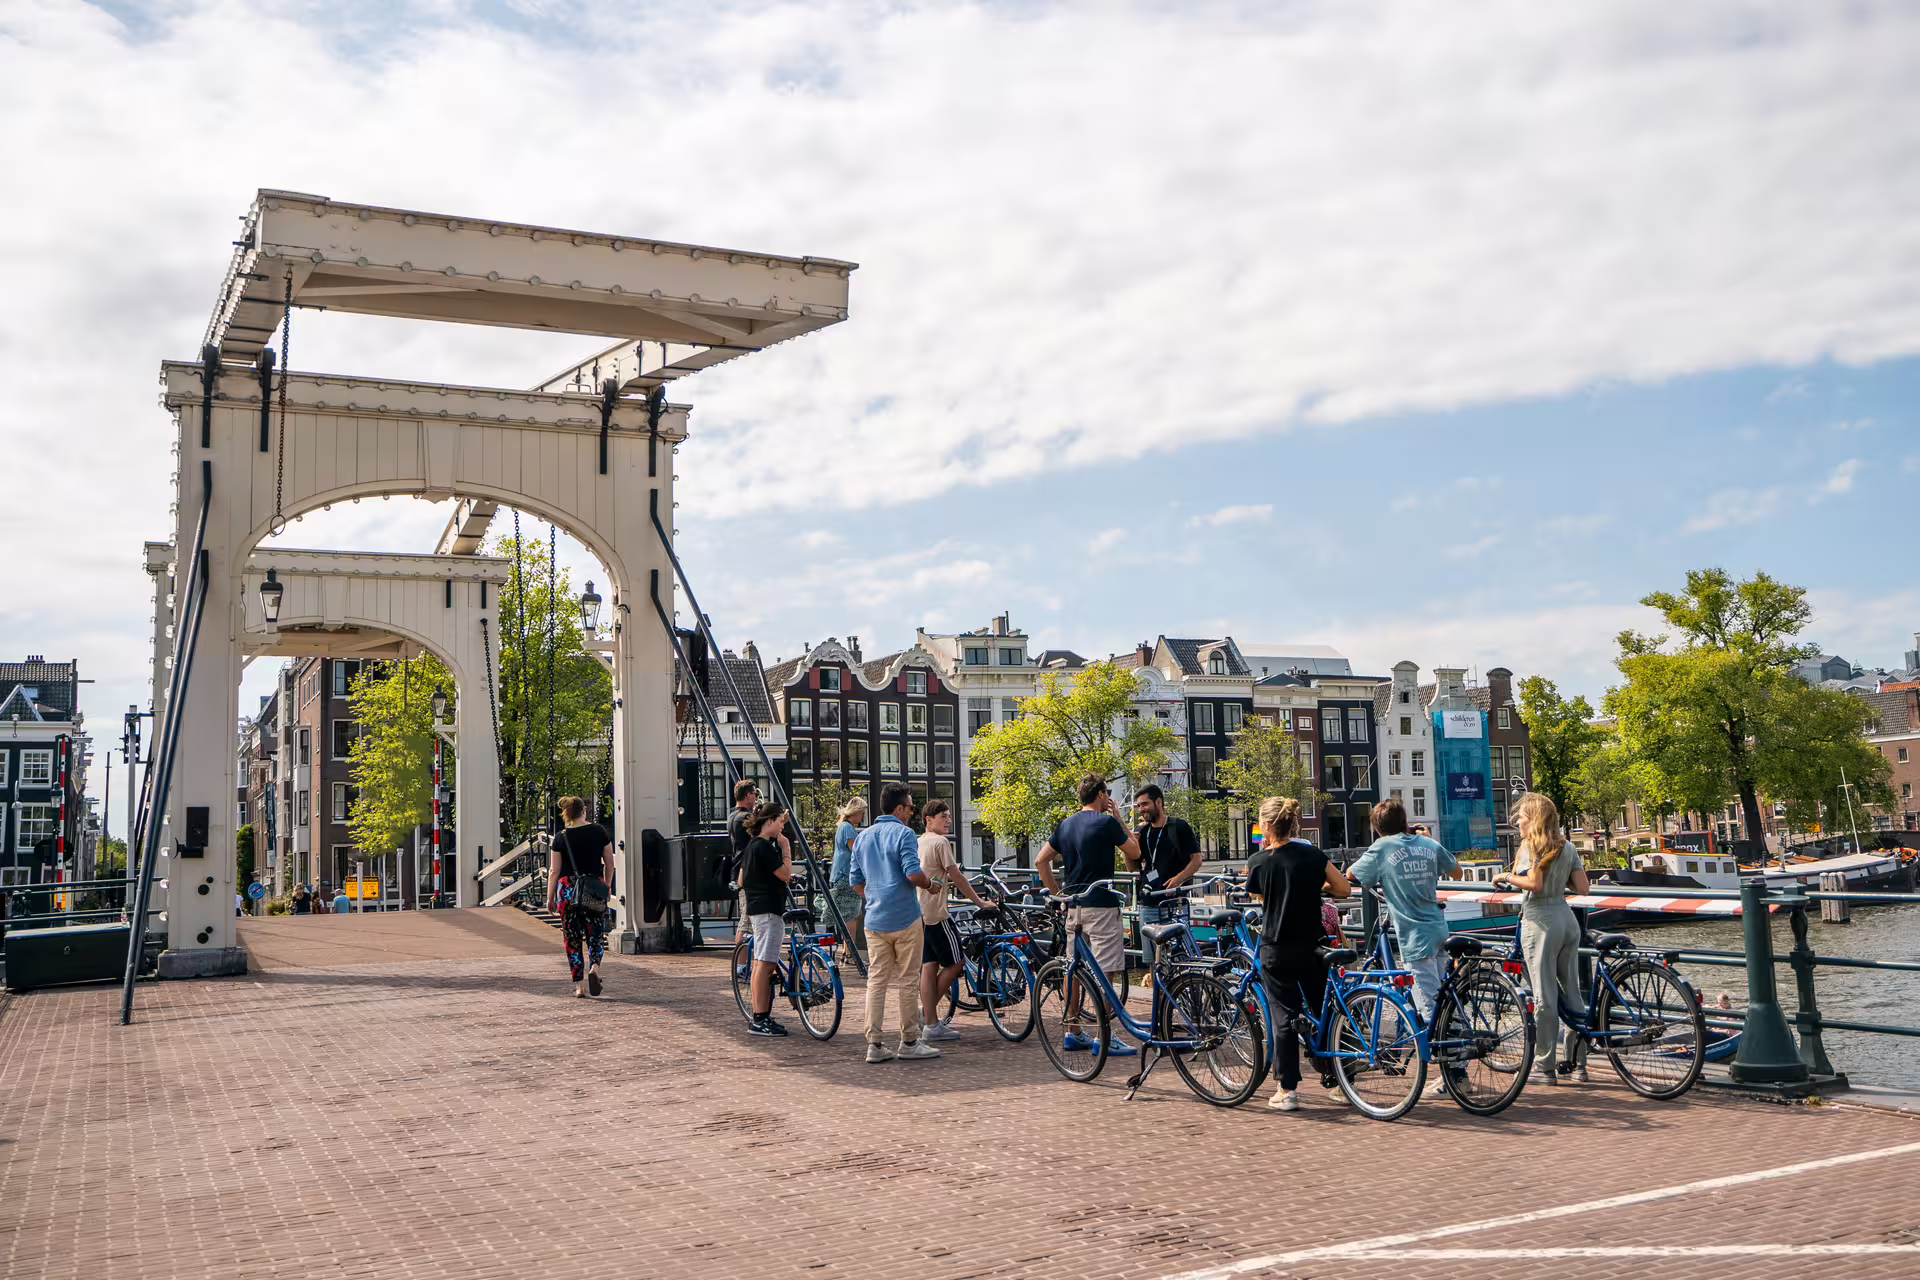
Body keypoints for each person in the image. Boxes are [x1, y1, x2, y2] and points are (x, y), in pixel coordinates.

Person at [1244, 796, 1351, 1112]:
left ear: (1265, 826)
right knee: (1325, 1011)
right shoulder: (1312, 855)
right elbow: (1343, 889)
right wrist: (1317, 887)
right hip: (1314, 945)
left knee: (1284, 1016)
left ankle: (1287, 1090)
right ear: (1293, 823)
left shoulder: (1260, 861)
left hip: (1277, 946)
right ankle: (1344, 1077)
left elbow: (1256, 894)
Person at [1036, 774, 1142, 1057]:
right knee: (1106, 970)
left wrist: (1058, 893)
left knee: (1074, 968)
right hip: (1103, 906)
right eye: (1106, 792)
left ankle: (1073, 1032)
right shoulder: (1106, 823)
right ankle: (1103, 1038)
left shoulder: (1065, 825)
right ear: (1099, 795)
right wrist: (1119, 817)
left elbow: (1040, 860)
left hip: (1074, 906)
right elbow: (1135, 850)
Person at [1494, 792, 1591, 1086]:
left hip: (1540, 922)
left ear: (1534, 819)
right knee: (1572, 994)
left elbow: (1534, 884)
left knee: (1545, 997)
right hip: (1566, 919)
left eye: (1522, 816)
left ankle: (1545, 1067)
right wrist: (1557, 883)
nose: (1518, 822)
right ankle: (1578, 1064)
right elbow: (1583, 889)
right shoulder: (1568, 847)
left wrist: (1505, 877)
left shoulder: (1530, 847)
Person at [851, 782, 941, 1063]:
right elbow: (913, 874)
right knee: (907, 981)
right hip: (904, 917)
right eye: (911, 807)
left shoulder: (863, 836)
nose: (912, 812)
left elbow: (855, 881)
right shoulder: (904, 834)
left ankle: (874, 1046)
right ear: (900, 808)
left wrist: (876, 895)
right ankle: (909, 1041)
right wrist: (930, 885)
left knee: (876, 982)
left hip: (874, 918)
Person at [1348, 797, 1457, 1024]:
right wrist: (1428, 839)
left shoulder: (1381, 847)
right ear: (1405, 822)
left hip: (1415, 936)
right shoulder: (1427, 844)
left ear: (1378, 829)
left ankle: (1447, 1054)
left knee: (1430, 1009)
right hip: (1439, 928)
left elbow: (1352, 875)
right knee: (1446, 999)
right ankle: (1458, 1049)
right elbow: (1457, 873)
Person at [918, 799, 995, 1041]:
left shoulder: (919, 841)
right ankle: (927, 1015)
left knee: (929, 967)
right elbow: (957, 876)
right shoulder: (941, 842)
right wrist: (980, 902)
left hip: (919, 914)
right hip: (938, 915)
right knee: (956, 963)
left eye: (949, 816)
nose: (948, 821)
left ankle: (929, 1022)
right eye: (943, 817)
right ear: (928, 820)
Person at [546, 795, 615, 998]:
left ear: (566, 813)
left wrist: (550, 898)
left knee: (572, 939)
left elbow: (554, 871)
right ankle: (595, 967)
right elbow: (609, 864)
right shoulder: (599, 831)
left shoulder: (561, 837)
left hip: (568, 892)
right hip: (593, 888)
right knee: (595, 936)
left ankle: (579, 986)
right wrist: (607, 886)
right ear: (584, 811)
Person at [1133, 783, 1201, 977]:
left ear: (1159, 802)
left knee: (1181, 960)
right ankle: (1158, 1004)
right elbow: (1133, 867)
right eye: (1139, 806)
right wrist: (1130, 846)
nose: (1142, 809)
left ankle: (1182, 1001)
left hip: (1175, 904)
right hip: (1148, 904)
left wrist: (1179, 879)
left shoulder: (1179, 827)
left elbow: (1196, 860)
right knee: (1153, 965)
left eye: (1145, 804)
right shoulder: (1142, 832)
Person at [740, 800, 795, 1036]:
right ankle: (760, 1018)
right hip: (769, 910)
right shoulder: (766, 847)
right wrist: (786, 849)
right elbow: (786, 874)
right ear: (770, 822)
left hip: (757, 908)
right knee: (766, 963)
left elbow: (742, 880)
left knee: (760, 963)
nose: (782, 827)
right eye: (780, 822)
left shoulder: (752, 846)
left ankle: (760, 1016)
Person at [830, 796, 869, 951]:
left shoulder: (843, 827)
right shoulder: (848, 829)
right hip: (846, 875)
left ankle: (849, 952)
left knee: (852, 914)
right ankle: (850, 953)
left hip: (840, 874)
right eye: (862, 813)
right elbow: (857, 852)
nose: (863, 816)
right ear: (856, 812)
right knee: (852, 915)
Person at [727, 779, 760, 946]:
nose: (756, 797)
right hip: (747, 871)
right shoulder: (746, 817)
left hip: (740, 870)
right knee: (746, 922)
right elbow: (762, 833)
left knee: (747, 919)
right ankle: (740, 965)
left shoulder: (733, 815)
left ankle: (744, 963)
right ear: (748, 796)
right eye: (754, 794)